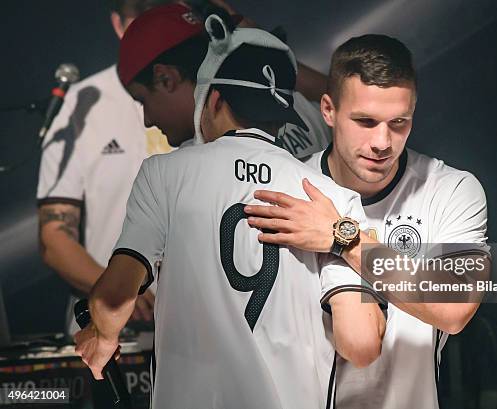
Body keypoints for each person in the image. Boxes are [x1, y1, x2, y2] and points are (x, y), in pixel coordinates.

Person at [75, 11, 386, 408]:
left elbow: (114, 301)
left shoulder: (164, 174)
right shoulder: (331, 200)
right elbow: (361, 344)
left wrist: (100, 334)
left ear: (215, 99)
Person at [244, 34, 490, 408]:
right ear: (328, 110)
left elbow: (455, 308)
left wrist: (345, 239)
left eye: (398, 122)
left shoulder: (451, 190)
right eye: (365, 120)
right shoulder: (284, 191)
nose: (382, 141)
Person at [36, 0, 182, 336]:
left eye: (158, 11)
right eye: (137, 16)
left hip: (196, 335)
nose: (149, 24)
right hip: (109, 337)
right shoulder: (82, 102)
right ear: (117, 24)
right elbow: (53, 236)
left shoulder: (207, 93)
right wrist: (115, 289)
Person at [117, 2, 332, 156]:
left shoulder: (185, 172)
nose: (147, 120)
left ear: (166, 78)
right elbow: (338, 97)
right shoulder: (301, 107)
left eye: (142, 100)